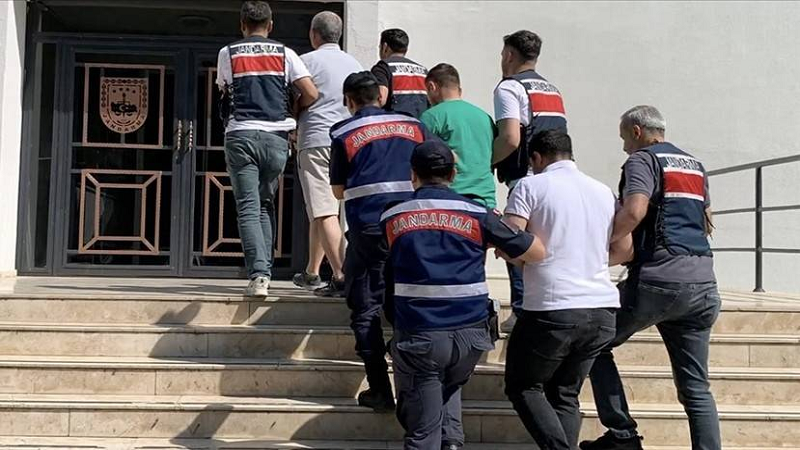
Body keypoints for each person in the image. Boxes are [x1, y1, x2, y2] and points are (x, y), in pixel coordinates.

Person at [381, 140, 545, 450]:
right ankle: (453, 442)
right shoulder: (479, 214)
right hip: (471, 336)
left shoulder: (392, 215)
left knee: (422, 431)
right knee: (449, 385)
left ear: (412, 174)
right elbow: (535, 252)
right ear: (453, 174)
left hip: (421, 334)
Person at [581, 106, 721, 450]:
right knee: (696, 388)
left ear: (637, 132)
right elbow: (707, 221)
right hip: (703, 285)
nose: (624, 147)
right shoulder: (694, 165)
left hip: (658, 281)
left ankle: (622, 436)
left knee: (592, 342)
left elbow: (634, 211)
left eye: (624, 138)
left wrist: (598, 249)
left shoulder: (642, 160)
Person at [501, 130, 632, 450]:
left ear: (536, 158)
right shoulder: (602, 191)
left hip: (552, 307)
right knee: (565, 394)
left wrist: (515, 252)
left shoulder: (529, 186)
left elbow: (512, 244)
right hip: (601, 309)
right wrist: (586, 259)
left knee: (523, 386)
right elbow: (624, 249)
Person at [329, 71, 433, 411]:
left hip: (369, 230)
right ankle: (413, 387)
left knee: (365, 308)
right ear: (381, 96)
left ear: (349, 101)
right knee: (406, 303)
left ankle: (380, 390)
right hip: (411, 227)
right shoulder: (414, 125)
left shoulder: (344, 132)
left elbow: (338, 191)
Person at [217, 1, 318, 297]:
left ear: (242, 25)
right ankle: (266, 271)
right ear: (271, 25)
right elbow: (311, 92)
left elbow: (223, 89)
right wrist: (295, 110)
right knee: (264, 204)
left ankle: (259, 276)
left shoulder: (228, 52)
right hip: (276, 138)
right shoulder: (286, 53)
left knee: (248, 207)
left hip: (241, 135)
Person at [492, 30, 567, 319]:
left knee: (517, 242)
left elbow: (510, 138)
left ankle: (522, 312)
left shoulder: (510, 87)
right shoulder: (552, 89)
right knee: (549, 244)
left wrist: (487, 162)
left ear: (510, 55)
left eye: (503, 54)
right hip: (558, 178)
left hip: (527, 178)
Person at [292, 11, 363, 296]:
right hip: (351, 140)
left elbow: (294, 98)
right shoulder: (354, 64)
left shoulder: (305, 61)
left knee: (323, 211)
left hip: (317, 139)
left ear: (314, 34)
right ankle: (312, 271)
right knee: (322, 210)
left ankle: (341, 276)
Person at [420, 63, 497, 208]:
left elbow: (421, 157)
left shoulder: (432, 116)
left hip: (450, 200)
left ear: (432, 87)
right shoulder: (484, 117)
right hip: (485, 199)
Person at [371, 28, 429, 118]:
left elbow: (380, 99)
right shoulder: (423, 70)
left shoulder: (382, 68)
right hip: (419, 124)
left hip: (394, 123)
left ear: (385, 47)